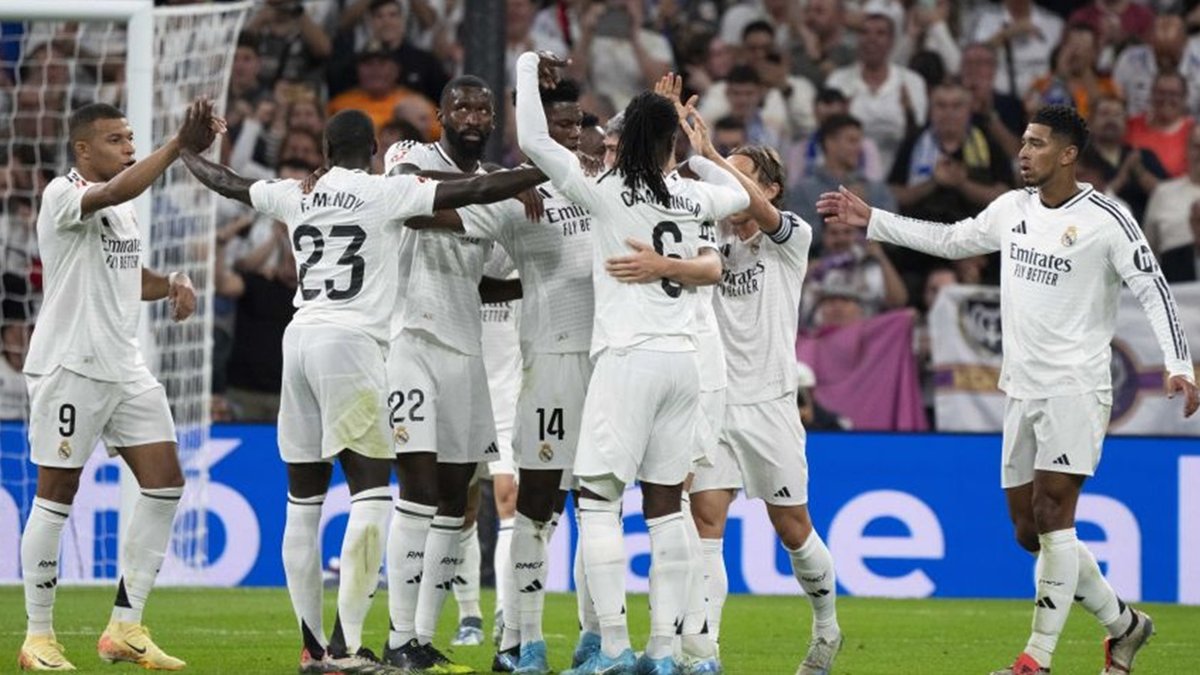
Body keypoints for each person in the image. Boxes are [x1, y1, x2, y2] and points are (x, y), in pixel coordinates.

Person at [817, 104, 1199, 675]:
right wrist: (873, 219)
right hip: (1021, 388)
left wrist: (1179, 362)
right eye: (1023, 142)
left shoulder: (1107, 218)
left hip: (1076, 386)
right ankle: (1124, 626)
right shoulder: (1011, 208)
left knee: (1053, 510)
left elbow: (1153, 287)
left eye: (1037, 143)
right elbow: (951, 240)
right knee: (1029, 529)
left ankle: (1035, 661)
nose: (1023, 152)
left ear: (1068, 154)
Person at [181, 108, 544, 674]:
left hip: (298, 340)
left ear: (325, 152)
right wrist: (542, 169)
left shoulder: (296, 193)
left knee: (302, 504)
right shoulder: (383, 192)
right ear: (374, 150)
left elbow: (228, 182)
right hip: (352, 347)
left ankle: (311, 648)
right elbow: (476, 188)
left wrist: (185, 149)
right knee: (371, 498)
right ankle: (345, 649)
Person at [515, 51, 749, 675]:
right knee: (667, 508)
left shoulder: (605, 191)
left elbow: (532, 140)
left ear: (626, 140)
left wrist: (527, 63)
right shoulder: (692, 195)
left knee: (597, 500)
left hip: (627, 359)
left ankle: (615, 648)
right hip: (684, 364)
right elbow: (736, 194)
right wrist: (698, 144)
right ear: (670, 143)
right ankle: (664, 652)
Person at [17, 99, 214, 671]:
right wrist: (177, 146)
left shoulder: (123, 210)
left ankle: (125, 627)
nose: (128, 147)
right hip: (70, 366)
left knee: (165, 483)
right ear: (83, 149)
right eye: (116, 140)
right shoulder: (63, 194)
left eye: (131, 138)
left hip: (124, 367)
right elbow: (114, 191)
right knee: (57, 493)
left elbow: (128, 278)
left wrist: (171, 280)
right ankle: (37, 637)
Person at [420, 77, 596, 674]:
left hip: (593, 366)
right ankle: (507, 635)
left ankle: (589, 640)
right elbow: (422, 208)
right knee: (507, 503)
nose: (572, 135)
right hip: (520, 364)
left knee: (589, 505)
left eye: (578, 125)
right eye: (560, 125)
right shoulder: (509, 193)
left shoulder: (600, 186)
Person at [377, 75, 531, 675]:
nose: (472, 116)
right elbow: (414, 207)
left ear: (493, 120)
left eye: (482, 109)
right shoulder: (409, 155)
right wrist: (509, 187)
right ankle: (396, 637)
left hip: (466, 351)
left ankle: (419, 638)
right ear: (440, 115)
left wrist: (540, 282)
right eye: (461, 107)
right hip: (411, 340)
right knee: (416, 489)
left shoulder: (498, 188)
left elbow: (489, 279)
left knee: (454, 501)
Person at [678, 133, 843, 673]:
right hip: (715, 402)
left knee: (793, 527)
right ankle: (704, 653)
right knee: (706, 521)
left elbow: (762, 213)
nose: (722, 185)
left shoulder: (791, 236)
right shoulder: (707, 239)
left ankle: (826, 629)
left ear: (769, 188)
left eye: (739, 176)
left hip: (771, 403)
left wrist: (711, 155)